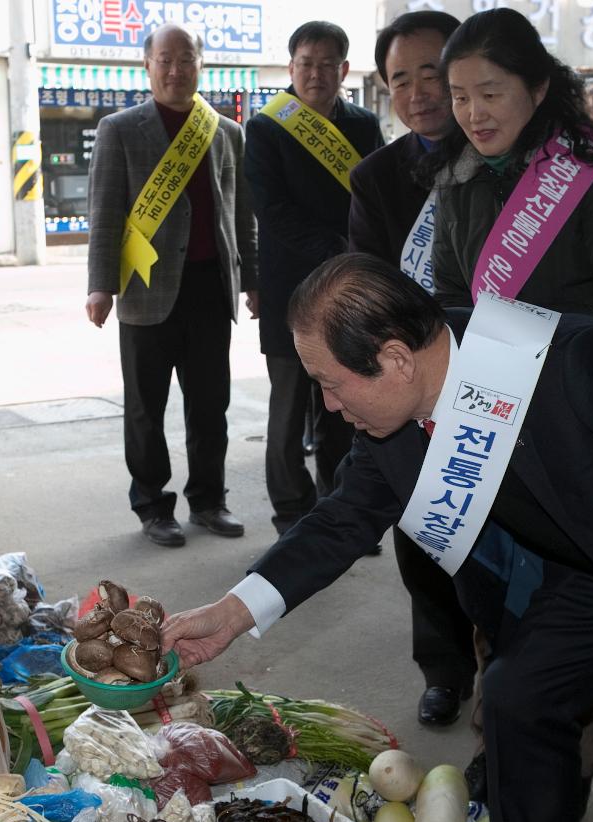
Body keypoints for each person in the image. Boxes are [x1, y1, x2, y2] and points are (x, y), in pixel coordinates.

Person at [163, 253, 593, 822]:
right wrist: (233, 610)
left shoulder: (573, 361)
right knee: (517, 696)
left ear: (396, 359)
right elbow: (343, 519)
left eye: (333, 382)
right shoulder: (393, 424)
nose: (331, 406)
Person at [349, 10, 477, 729]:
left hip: (498, 378)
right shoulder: (377, 178)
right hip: (411, 380)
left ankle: (505, 674)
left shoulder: (508, 159)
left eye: (433, 72)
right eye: (402, 78)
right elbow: (366, 280)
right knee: (420, 531)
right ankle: (443, 668)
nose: (421, 91)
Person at [85, 24, 257, 548]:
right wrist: (99, 287)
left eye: (187, 59)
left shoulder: (225, 131)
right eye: (166, 60)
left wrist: (253, 279)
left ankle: (208, 500)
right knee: (145, 408)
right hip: (144, 287)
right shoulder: (120, 128)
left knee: (211, 404)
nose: (176, 69)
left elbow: (240, 212)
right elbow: (105, 213)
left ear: (202, 64)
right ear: (148, 66)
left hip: (210, 288)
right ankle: (153, 505)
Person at [426, 8, 593, 330]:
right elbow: (451, 295)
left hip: (582, 369)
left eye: (490, 94)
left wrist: (535, 351)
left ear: (538, 90)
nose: (474, 114)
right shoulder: (456, 179)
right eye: (460, 97)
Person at [245, 20, 384, 535]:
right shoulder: (265, 127)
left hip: (349, 290)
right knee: (286, 403)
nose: (316, 74)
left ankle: (342, 506)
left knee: (346, 404)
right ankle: (290, 509)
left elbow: (374, 199)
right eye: (306, 64)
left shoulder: (364, 126)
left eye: (327, 65)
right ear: (291, 67)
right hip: (289, 286)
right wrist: (337, 248)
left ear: (344, 69)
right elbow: (271, 209)